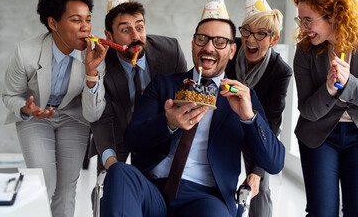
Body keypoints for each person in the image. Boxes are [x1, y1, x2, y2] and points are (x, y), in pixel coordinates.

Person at [100, 17, 285, 217]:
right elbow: (132, 140)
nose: (209, 48)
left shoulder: (243, 97)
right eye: (202, 39)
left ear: (232, 51)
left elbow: (274, 163)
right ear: (192, 44)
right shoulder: (164, 85)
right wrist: (168, 123)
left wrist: (248, 116)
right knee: (119, 171)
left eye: (220, 42)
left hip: (205, 198)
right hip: (152, 188)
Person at [2, 0, 108, 217]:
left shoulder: (95, 55)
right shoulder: (26, 53)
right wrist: (26, 108)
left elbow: (92, 115)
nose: (86, 27)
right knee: (44, 184)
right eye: (76, 20)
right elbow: (10, 95)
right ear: (53, 23)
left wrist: (91, 72)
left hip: (73, 117)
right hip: (34, 118)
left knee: (66, 189)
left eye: (88, 19)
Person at [89, 0, 187, 171]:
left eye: (139, 27)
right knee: (107, 186)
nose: (136, 37)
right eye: (125, 30)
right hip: (116, 133)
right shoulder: (101, 62)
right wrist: (109, 159)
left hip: (156, 129)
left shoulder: (171, 51)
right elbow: (101, 118)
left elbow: (182, 97)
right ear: (109, 36)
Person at [293, 0, 358, 216]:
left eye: (308, 20)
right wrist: (330, 89)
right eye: (300, 20)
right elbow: (308, 110)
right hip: (319, 137)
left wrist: (348, 84)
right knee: (322, 212)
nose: (302, 28)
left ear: (333, 15)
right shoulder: (304, 52)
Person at [225, 9, 292, 217]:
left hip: (255, 130)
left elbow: (271, 122)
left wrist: (256, 172)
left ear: (273, 39)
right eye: (247, 31)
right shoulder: (230, 47)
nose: (250, 39)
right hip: (224, 125)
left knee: (259, 188)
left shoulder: (280, 71)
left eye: (260, 33)